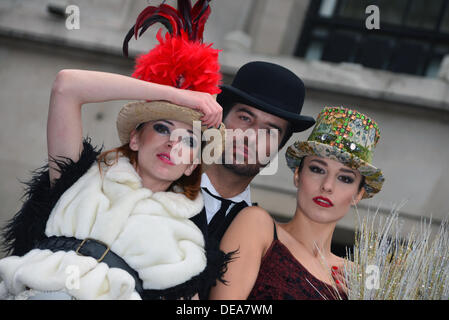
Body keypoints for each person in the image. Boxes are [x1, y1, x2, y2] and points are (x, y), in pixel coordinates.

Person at [0, 0, 229, 300]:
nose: (173, 143)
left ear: (191, 165)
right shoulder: (79, 176)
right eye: (162, 127)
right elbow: (66, 86)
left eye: (189, 140)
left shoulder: (190, 243)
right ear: (135, 139)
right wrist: (175, 96)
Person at [209, 106, 385, 300]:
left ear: (358, 194)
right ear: (297, 175)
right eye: (317, 169)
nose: (327, 186)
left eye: (345, 179)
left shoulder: (365, 276)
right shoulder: (257, 225)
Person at [193, 61, 316, 246]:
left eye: (269, 131)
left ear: (279, 147)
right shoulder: (161, 185)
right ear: (220, 120)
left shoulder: (266, 240)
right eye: (245, 118)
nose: (250, 137)